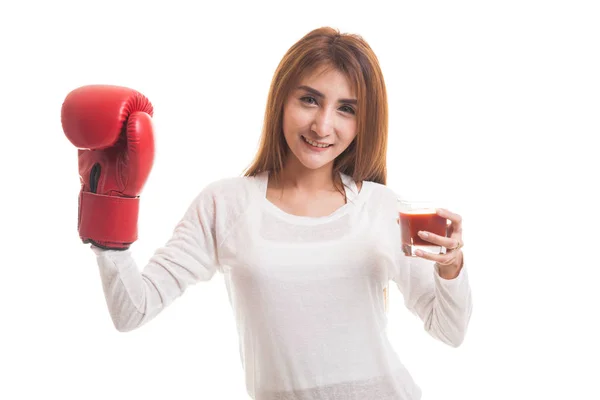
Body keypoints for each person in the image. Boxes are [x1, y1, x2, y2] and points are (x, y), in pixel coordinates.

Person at [61, 26, 472, 400]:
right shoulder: (225, 204)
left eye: (346, 108)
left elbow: (449, 331)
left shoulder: (382, 206)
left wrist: (451, 267)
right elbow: (133, 311)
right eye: (309, 99)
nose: (323, 125)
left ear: (363, 122)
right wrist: (109, 212)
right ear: (281, 99)